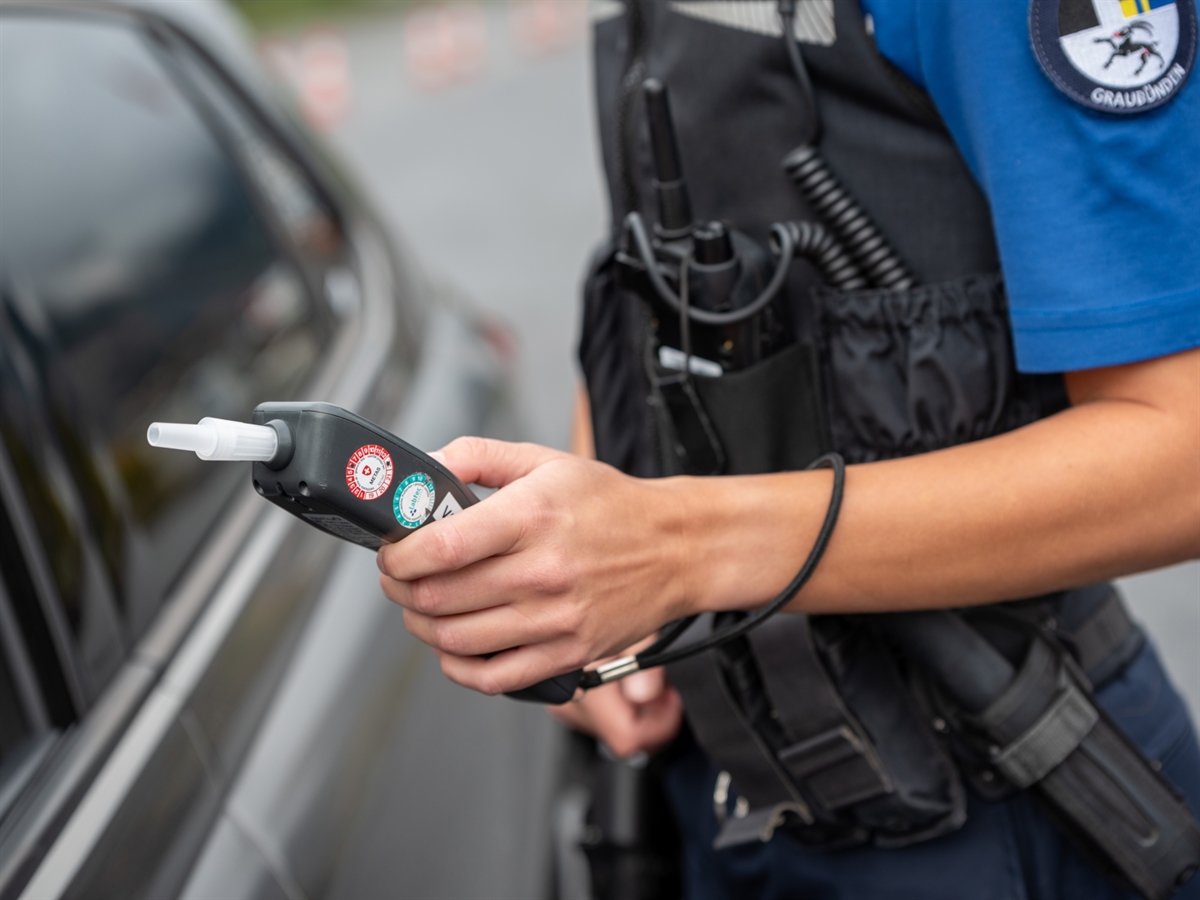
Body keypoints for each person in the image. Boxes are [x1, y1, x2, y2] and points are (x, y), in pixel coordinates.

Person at [377, 0, 1200, 896]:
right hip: (729, 791)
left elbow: (1182, 453)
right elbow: (666, 234)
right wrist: (602, 521)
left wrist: (677, 547)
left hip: (1004, 797)